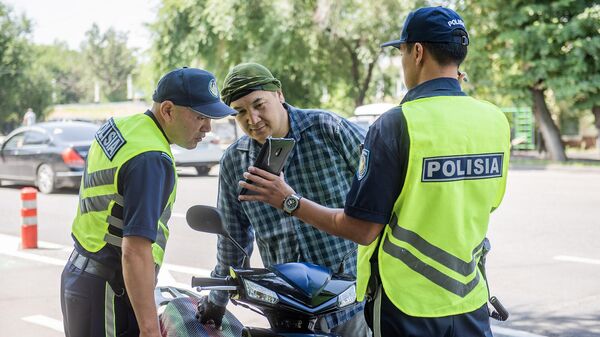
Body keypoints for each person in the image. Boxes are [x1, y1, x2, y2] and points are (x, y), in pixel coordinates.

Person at [238, 7, 511, 337]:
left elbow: (362, 230)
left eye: (402, 52)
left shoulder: (396, 124)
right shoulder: (494, 120)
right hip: (470, 296)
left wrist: (289, 201)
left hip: (407, 302)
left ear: (418, 52)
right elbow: (490, 202)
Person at [60, 67, 236, 337]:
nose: (208, 128)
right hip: (110, 289)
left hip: (82, 278)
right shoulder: (152, 158)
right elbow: (135, 251)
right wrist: (149, 328)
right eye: (201, 116)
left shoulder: (121, 128)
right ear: (167, 110)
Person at [198, 62, 371, 336]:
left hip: (349, 303)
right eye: (240, 112)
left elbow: (381, 192)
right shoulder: (235, 161)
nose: (252, 119)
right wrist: (217, 303)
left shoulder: (329, 129)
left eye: (259, 105)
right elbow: (233, 242)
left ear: (279, 94)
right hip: (286, 313)